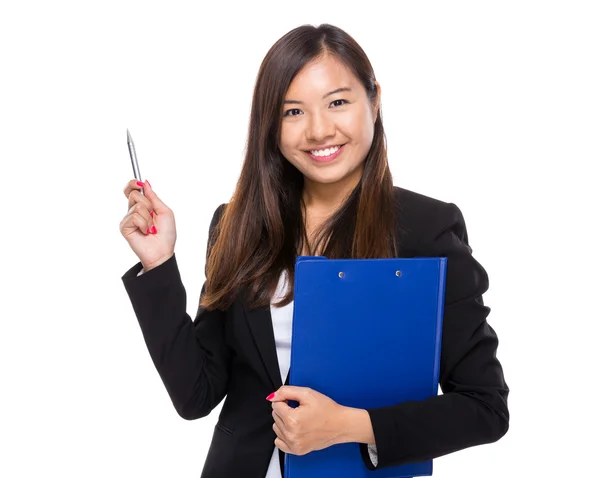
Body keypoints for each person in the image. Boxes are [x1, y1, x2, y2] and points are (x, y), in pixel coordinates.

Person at [120, 23, 509, 478]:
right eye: (292, 112)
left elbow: (485, 408)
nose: (319, 131)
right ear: (271, 123)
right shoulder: (237, 225)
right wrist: (159, 263)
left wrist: (350, 425)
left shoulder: (427, 230)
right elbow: (196, 395)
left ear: (374, 100)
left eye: (338, 102)